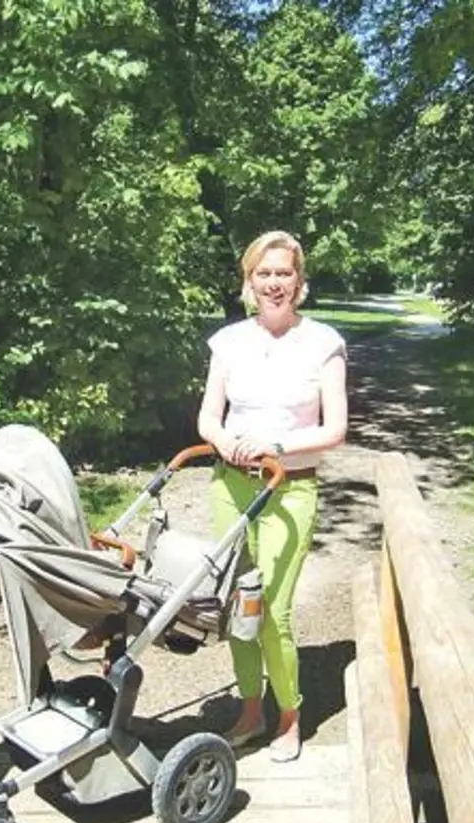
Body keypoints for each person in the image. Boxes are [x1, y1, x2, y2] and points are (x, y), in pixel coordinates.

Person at [197, 231, 348, 762]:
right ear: (249, 281)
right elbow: (208, 417)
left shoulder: (323, 344)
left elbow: (335, 431)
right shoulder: (228, 342)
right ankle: (250, 708)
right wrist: (224, 441)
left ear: (299, 282)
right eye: (264, 273)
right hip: (231, 485)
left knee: (275, 611)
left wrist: (275, 445)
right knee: (239, 603)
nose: (274, 283)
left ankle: (289, 714)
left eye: (284, 273)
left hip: (291, 488)